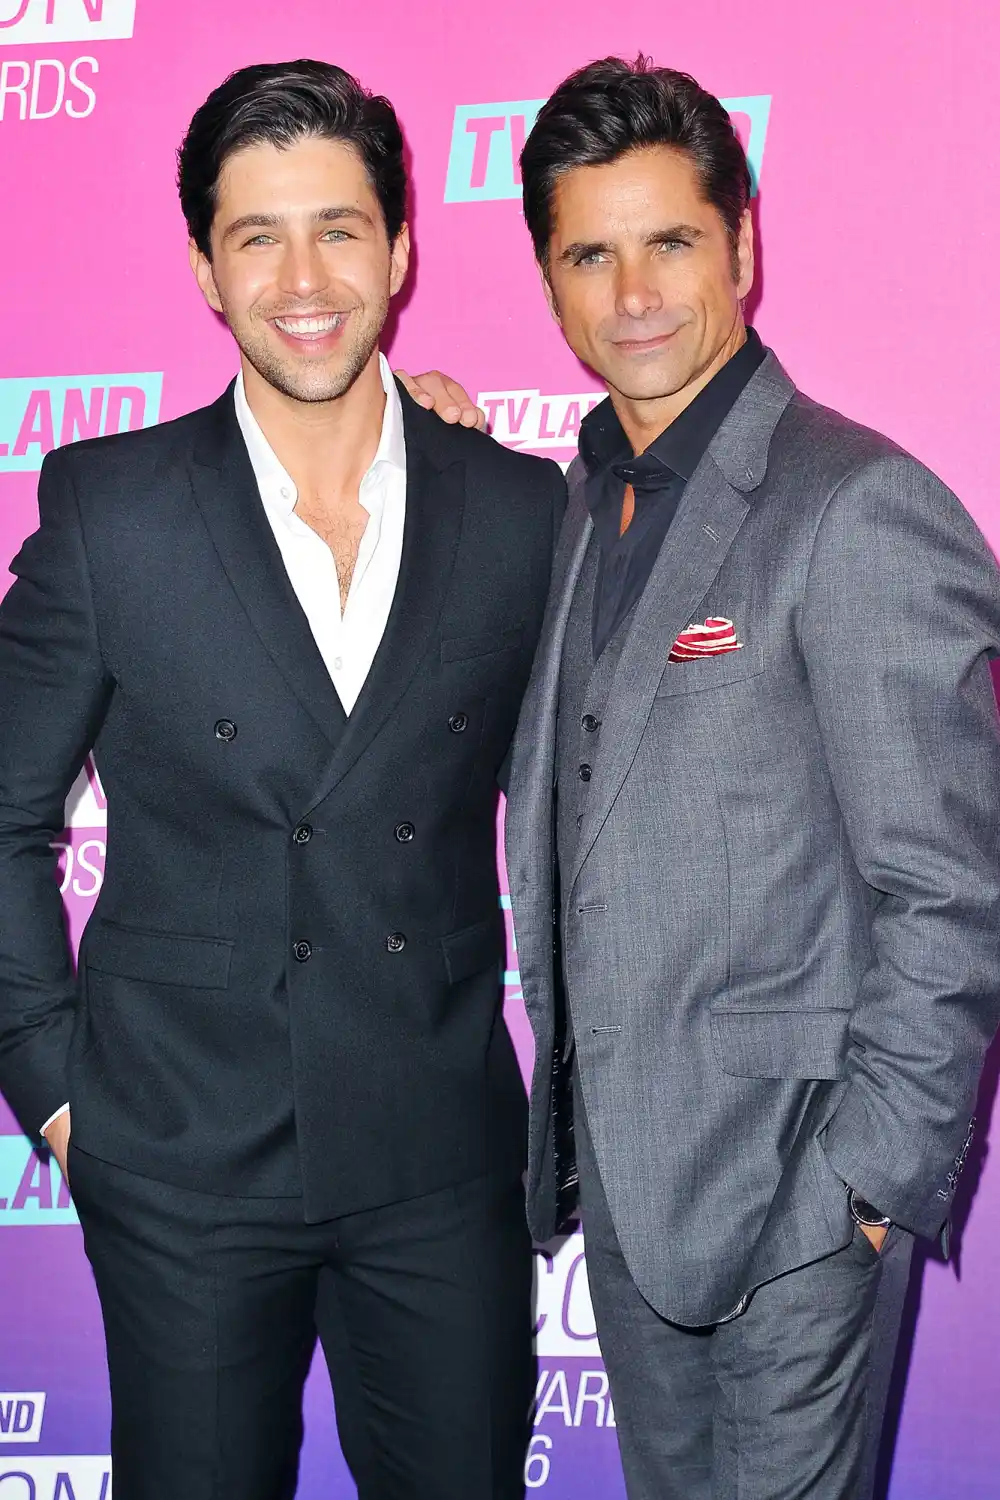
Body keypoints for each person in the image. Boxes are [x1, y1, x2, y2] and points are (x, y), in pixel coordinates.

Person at [406, 55, 1000, 1500]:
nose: (633, 295)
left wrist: (858, 1190)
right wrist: (425, 464)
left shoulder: (856, 504)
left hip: (798, 1192)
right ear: (547, 281)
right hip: (627, 1191)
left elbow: (952, 887)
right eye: (588, 256)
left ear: (743, 241)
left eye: (670, 241)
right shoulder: (564, 510)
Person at [0, 59, 565, 1500]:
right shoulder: (110, 509)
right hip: (179, 1155)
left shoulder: (517, 509)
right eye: (257, 236)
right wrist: (58, 1098)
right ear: (203, 265)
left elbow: (584, 810)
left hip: (439, 1151)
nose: (303, 277)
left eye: (339, 228)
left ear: (402, 248)